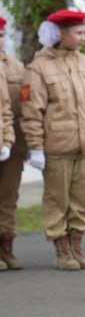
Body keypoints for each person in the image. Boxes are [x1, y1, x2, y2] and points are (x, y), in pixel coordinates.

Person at [21, 9, 85, 271]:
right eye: (78, 33)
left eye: (84, 32)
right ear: (60, 34)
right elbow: (32, 111)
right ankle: (61, 248)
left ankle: (77, 245)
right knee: (57, 198)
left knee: (82, 198)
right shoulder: (39, 68)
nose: (84, 37)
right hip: (58, 146)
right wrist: (35, 146)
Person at [0, 16, 27, 270]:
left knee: (8, 197)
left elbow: (22, 107)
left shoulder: (17, 68)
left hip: (13, 145)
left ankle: (6, 247)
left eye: (0, 35)